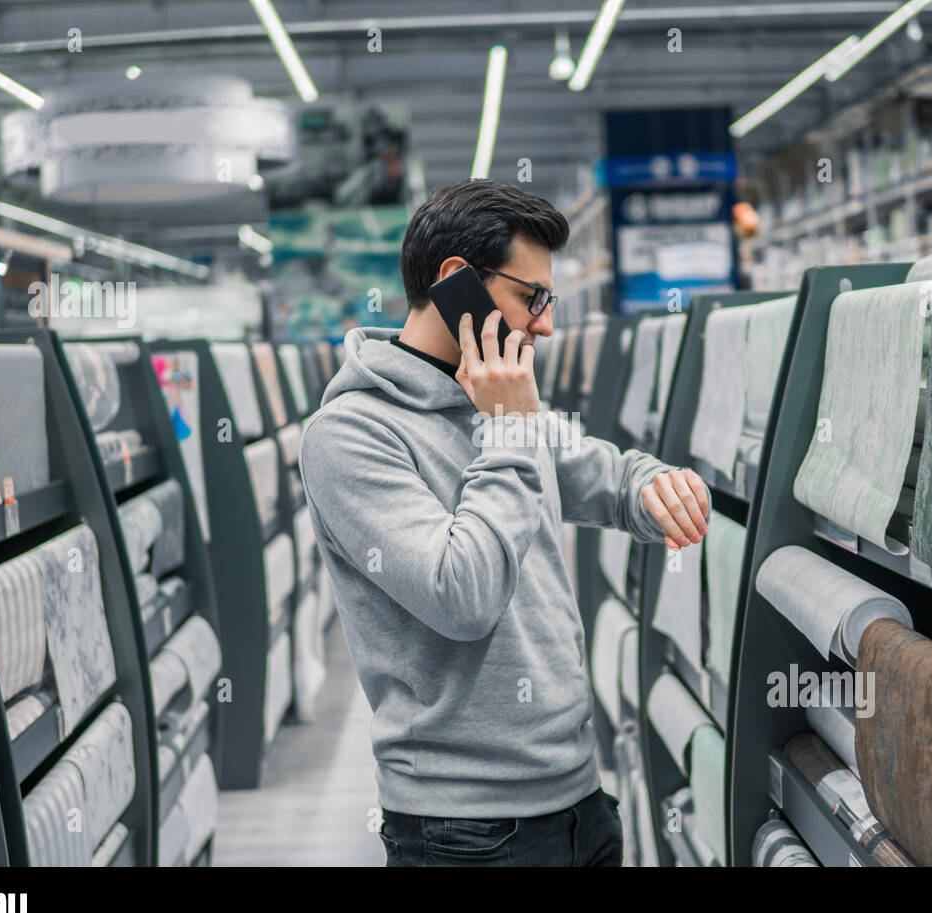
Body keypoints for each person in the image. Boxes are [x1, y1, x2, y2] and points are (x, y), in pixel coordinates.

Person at [299, 179, 711, 866]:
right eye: (532, 298)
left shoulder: (500, 403)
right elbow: (462, 596)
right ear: (457, 282)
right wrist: (513, 428)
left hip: (579, 796)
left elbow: (607, 478)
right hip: (465, 832)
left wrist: (659, 484)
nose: (545, 325)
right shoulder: (350, 435)